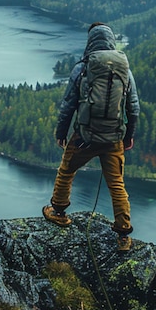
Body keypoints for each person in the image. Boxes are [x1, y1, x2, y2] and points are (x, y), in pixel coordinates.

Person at [42, 22, 140, 251]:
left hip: (84, 136)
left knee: (67, 170)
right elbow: (133, 107)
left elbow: (68, 105)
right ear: (110, 41)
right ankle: (124, 234)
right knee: (116, 183)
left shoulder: (83, 68)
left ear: (91, 42)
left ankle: (58, 212)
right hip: (114, 138)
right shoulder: (125, 70)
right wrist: (129, 136)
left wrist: (61, 132)